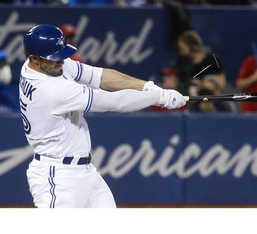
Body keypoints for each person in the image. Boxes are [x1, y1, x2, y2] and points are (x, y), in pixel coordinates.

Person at [20, 24, 186, 208]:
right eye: (55, 58)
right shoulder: (51, 90)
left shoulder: (40, 67)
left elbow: (101, 77)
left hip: (84, 171)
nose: (62, 61)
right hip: (58, 176)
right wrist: (159, 97)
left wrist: (148, 87)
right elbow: (115, 102)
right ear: (34, 59)